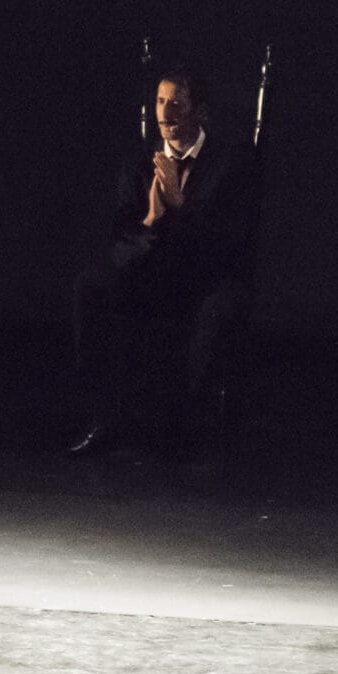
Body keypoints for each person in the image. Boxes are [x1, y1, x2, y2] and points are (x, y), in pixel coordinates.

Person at [66, 69, 258, 456]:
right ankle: (104, 418)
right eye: (159, 101)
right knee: (92, 286)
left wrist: (180, 205)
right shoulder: (140, 162)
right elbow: (120, 245)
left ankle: (193, 431)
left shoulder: (230, 163)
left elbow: (230, 245)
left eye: (176, 103)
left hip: (205, 277)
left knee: (220, 309)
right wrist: (152, 220)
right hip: (154, 272)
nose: (165, 113)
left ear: (199, 111)